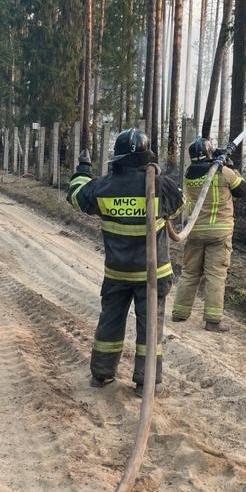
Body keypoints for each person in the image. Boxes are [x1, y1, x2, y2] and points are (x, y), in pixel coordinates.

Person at [67, 128, 183, 395]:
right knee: (150, 327)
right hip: (152, 275)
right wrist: (161, 177)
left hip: (118, 273)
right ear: (147, 158)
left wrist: (83, 168)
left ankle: (101, 374)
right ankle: (146, 382)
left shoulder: (103, 186)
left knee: (111, 321)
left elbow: (75, 196)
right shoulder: (160, 186)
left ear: (116, 158)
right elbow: (179, 205)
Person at [170, 137, 246, 332]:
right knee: (215, 275)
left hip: (195, 231)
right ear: (209, 153)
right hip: (219, 233)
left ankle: (179, 313)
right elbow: (243, 190)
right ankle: (213, 321)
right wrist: (230, 165)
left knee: (189, 272)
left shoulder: (189, 174)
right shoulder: (222, 172)